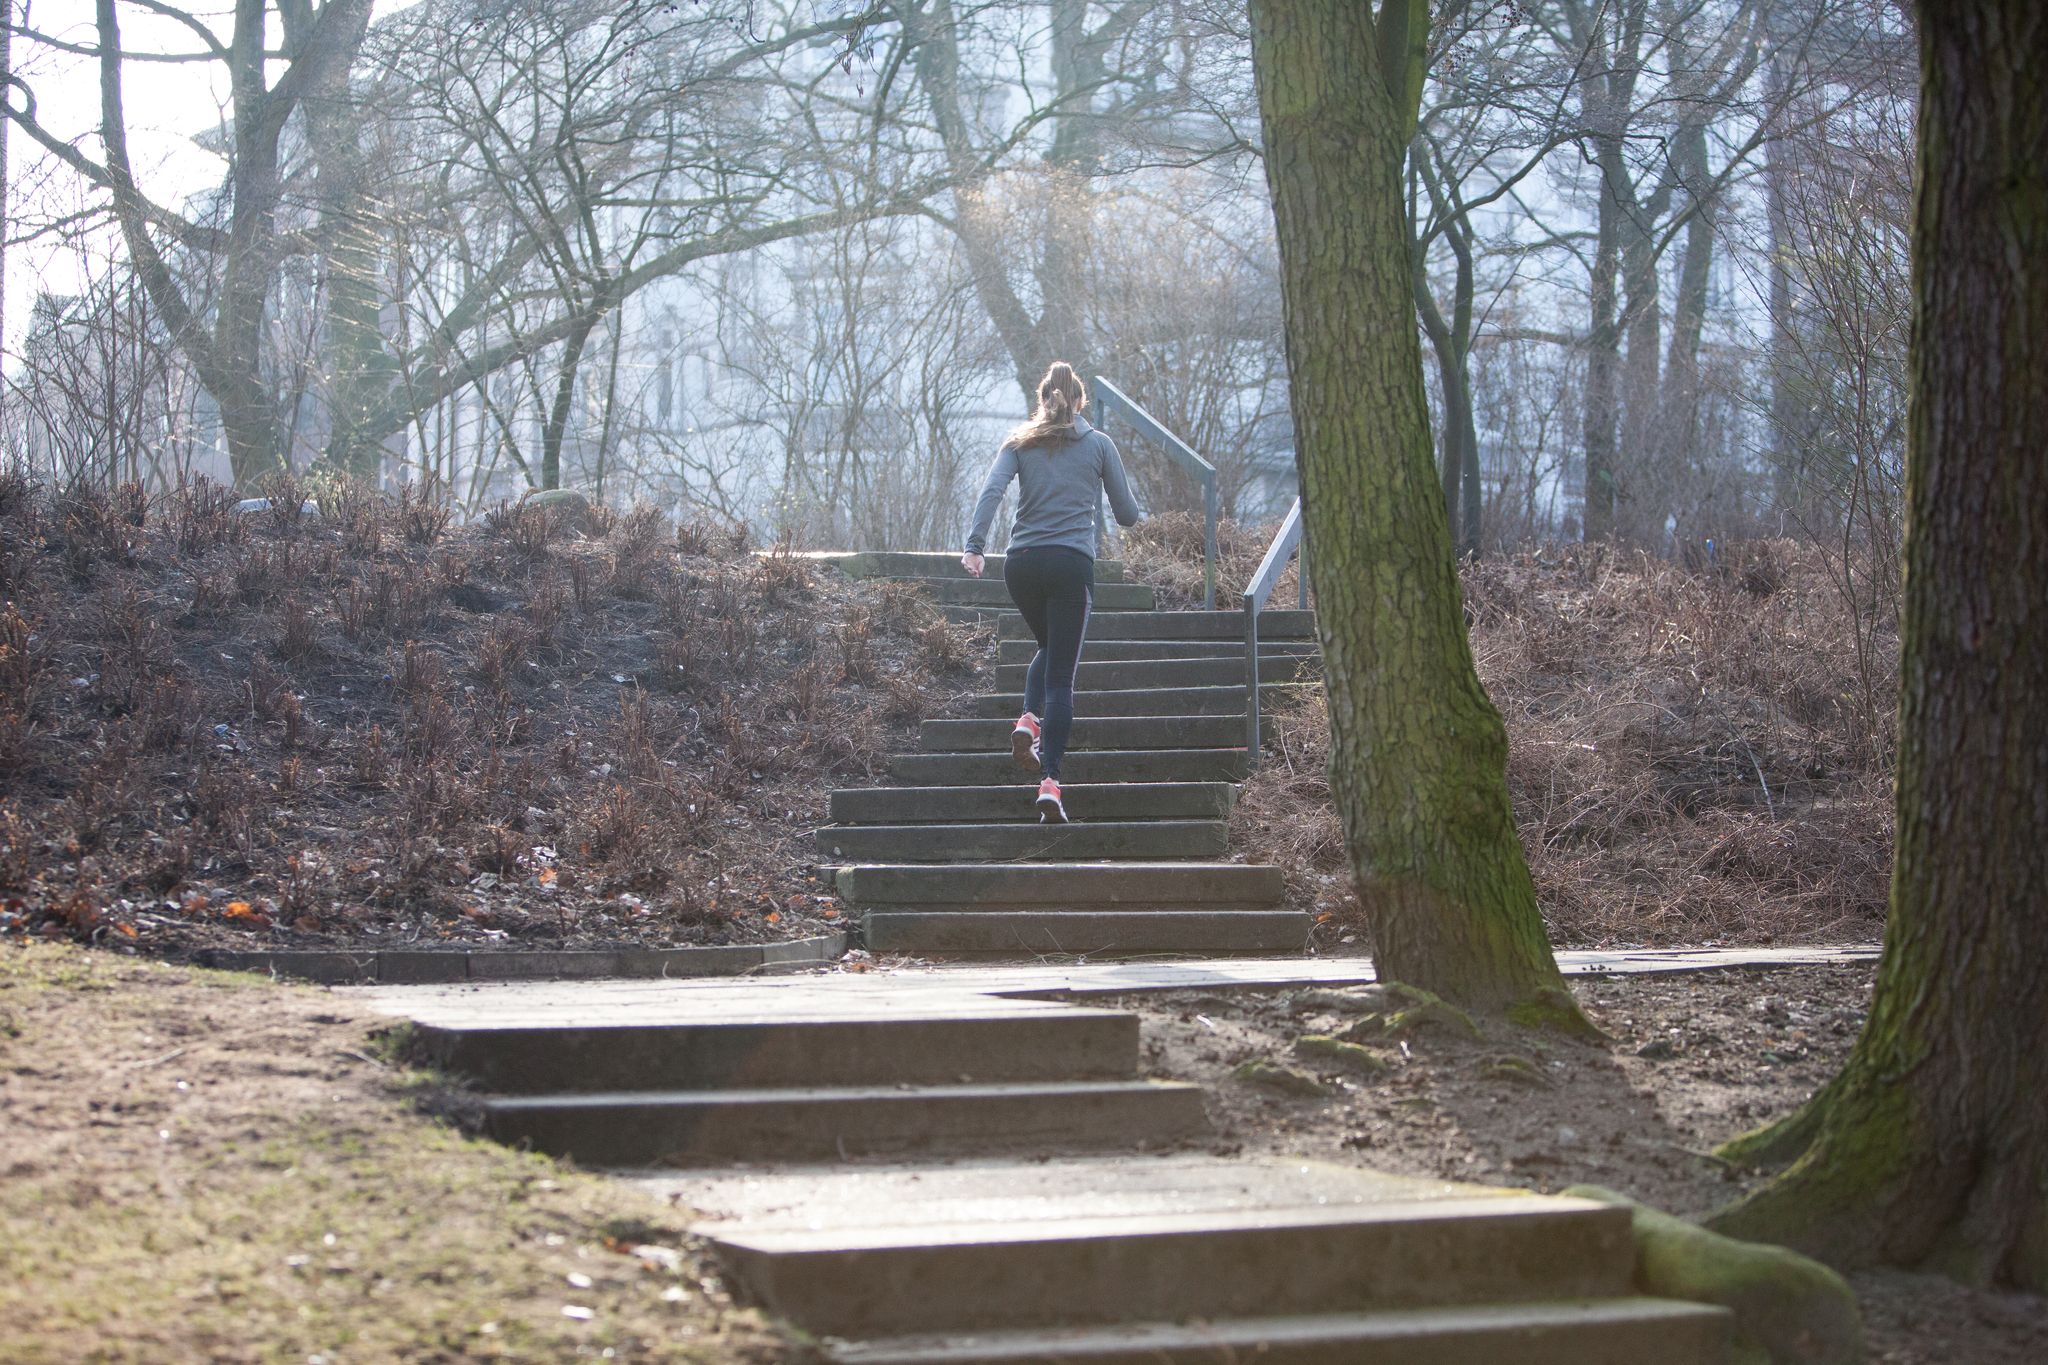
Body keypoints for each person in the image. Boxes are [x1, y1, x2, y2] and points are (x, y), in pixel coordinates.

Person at [961, 362, 1142, 823]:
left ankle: (1027, 718)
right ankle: (1051, 782)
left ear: (1043, 399)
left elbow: (991, 491)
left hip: (1020, 566)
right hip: (1070, 567)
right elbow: (1126, 515)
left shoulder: (1019, 442)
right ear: (1079, 401)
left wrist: (976, 546)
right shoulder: (1099, 444)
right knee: (1061, 676)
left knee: (1048, 646)